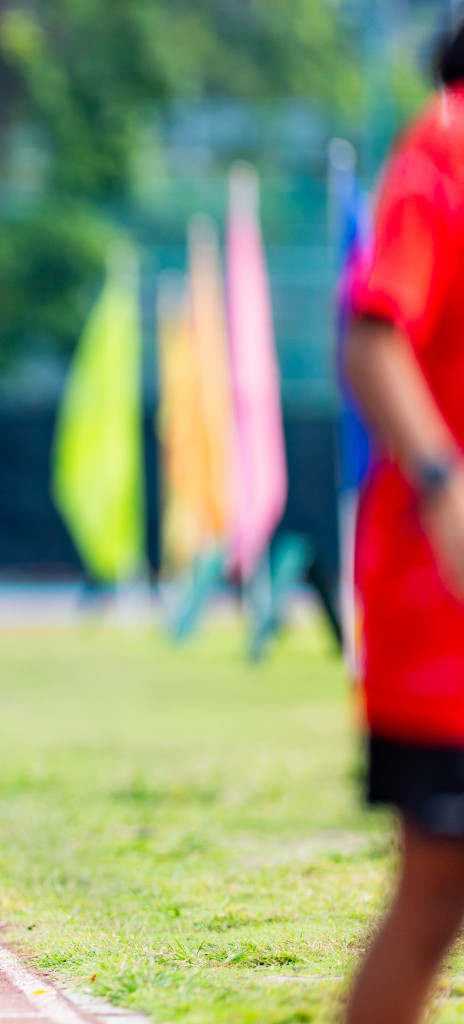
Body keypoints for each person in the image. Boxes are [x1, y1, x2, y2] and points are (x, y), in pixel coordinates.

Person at [342, 20, 464, 1024]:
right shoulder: (446, 146)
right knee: (437, 887)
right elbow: (375, 334)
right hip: (445, 597)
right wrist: (443, 480)